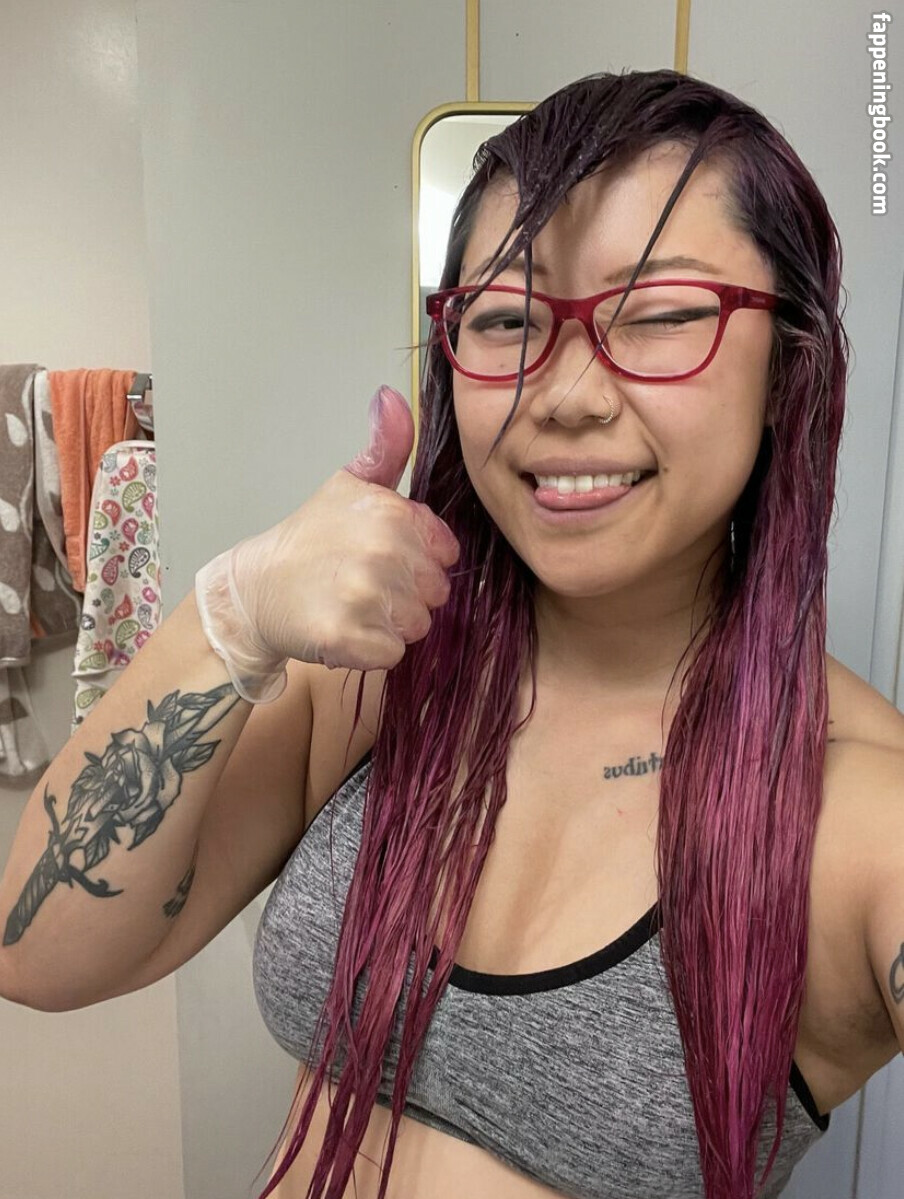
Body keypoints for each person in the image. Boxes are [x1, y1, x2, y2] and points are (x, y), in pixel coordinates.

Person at [1, 68, 903, 1199]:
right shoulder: (380, 677)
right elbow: (38, 954)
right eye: (508, 320)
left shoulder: (856, 813)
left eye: (663, 314)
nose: (566, 394)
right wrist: (231, 614)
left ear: (789, 365)